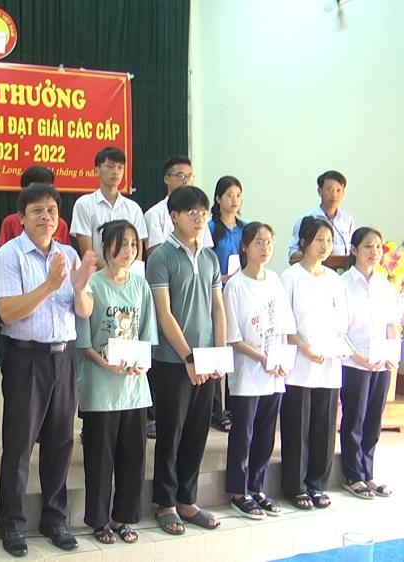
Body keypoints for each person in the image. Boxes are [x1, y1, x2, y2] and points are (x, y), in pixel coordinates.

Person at [0, 183, 96, 556]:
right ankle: (11, 523)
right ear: (21, 217)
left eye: (51, 210)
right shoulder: (9, 255)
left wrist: (79, 287)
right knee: (19, 443)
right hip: (26, 358)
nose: (45, 217)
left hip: (63, 356)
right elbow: (7, 312)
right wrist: (50, 285)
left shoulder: (69, 254)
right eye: (37, 210)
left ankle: (54, 518)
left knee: (61, 441)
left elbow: (84, 310)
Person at [146, 186, 226, 535]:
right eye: (191, 212)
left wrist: (218, 353)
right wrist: (188, 357)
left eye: (203, 212)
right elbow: (164, 314)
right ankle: (164, 502)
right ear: (173, 216)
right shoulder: (161, 257)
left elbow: (218, 309)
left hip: (206, 359)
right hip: (172, 360)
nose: (199, 218)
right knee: (171, 432)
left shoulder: (209, 257)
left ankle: (187, 499)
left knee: (197, 432)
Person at [75, 220, 156, 545]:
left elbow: (147, 334)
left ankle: (123, 517)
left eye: (134, 244)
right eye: (121, 244)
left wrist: (141, 362)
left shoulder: (141, 285)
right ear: (106, 247)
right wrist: (104, 362)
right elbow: (84, 340)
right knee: (100, 457)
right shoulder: (93, 284)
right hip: (101, 387)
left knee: (133, 457)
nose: (129, 250)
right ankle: (99, 520)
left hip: (134, 389)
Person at [222, 222, 294, 520]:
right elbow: (233, 336)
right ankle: (238, 491)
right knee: (244, 433)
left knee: (266, 432)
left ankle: (257, 486)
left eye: (268, 242)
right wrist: (262, 358)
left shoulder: (275, 281)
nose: (265, 247)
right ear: (245, 246)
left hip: (273, 370)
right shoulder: (235, 285)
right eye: (258, 242)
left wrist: (281, 360)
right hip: (247, 371)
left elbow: (285, 326)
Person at [280, 217, 348, 511]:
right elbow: (285, 322)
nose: (324, 245)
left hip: (328, 362)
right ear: (305, 242)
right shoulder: (291, 277)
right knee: (298, 425)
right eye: (319, 239)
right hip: (299, 362)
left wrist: (333, 347)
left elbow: (341, 321)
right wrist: (304, 348)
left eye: (329, 240)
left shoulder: (334, 279)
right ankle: (295, 486)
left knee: (324, 425)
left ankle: (317, 484)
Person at [339, 227, 399, 500]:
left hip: (381, 361)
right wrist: (358, 357)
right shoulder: (344, 284)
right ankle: (352, 475)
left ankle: (368, 472)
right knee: (354, 418)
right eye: (367, 246)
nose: (374, 252)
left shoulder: (386, 286)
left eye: (377, 247)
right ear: (354, 250)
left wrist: (391, 356)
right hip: (355, 362)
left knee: (374, 420)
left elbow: (392, 325)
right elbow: (340, 329)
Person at [207, 176, 246, 434]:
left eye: (238, 195)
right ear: (218, 198)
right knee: (216, 349)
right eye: (229, 195)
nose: (234, 200)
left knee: (235, 348)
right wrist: (223, 278)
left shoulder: (245, 228)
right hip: (217, 292)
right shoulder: (210, 228)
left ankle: (234, 407)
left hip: (240, 294)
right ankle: (215, 410)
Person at [69, 147, 148, 268]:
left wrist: (127, 276)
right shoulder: (84, 204)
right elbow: (88, 253)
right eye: (110, 166)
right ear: (97, 171)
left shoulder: (134, 208)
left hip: (128, 277)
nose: (116, 172)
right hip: (96, 276)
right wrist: (110, 274)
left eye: (120, 167)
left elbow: (137, 252)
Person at [144, 156, 213, 255]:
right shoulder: (154, 214)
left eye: (189, 176)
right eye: (181, 176)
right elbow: (155, 254)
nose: (186, 181)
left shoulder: (200, 215)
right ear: (166, 179)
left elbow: (207, 251)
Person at [287, 171, 356, 264]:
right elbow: (293, 253)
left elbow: (354, 249)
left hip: (344, 269)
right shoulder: (307, 219)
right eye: (330, 189)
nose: (334, 194)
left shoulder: (348, 220)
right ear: (320, 191)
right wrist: (315, 255)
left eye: (338, 190)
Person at [0, 165, 71, 249]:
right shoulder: (10, 222)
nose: (46, 217)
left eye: (46, 188)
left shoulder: (60, 224)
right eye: (36, 189)